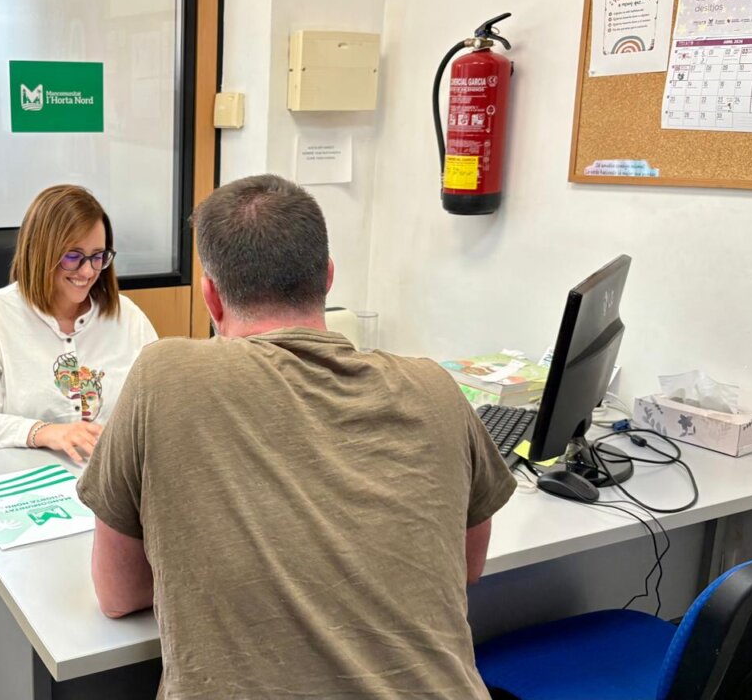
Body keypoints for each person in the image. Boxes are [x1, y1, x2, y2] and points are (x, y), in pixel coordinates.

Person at [78, 174, 517, 698]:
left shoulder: (164, 375)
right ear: (328, 278)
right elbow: (465, 568)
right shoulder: (436, 389)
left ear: (211, 297)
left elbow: (117, 593)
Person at [0, 185, 158, 462]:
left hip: (110, 480)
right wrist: (44, 432)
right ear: (42, 252)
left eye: (98, 256)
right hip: (24, 481)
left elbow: (159, 405)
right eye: (73, 256)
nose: (88, 271)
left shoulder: (127, 317)